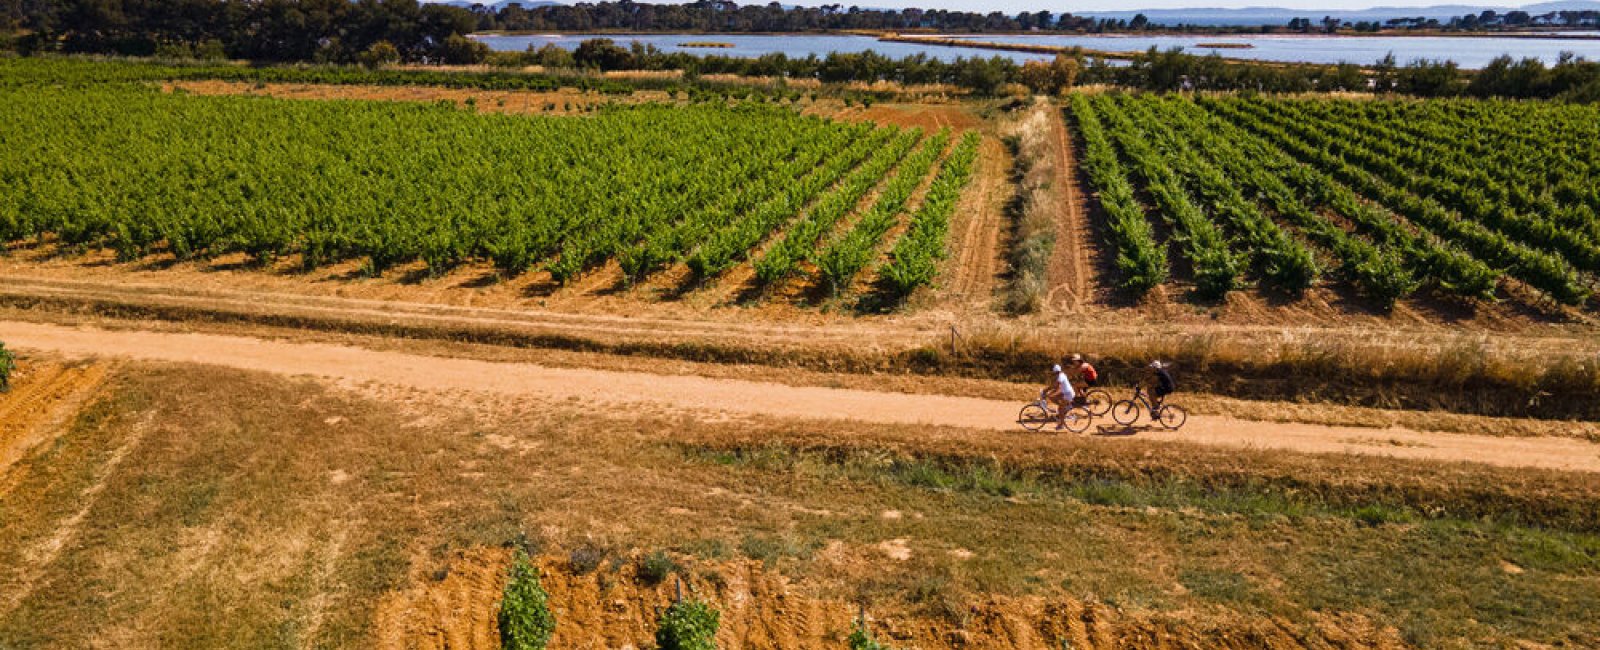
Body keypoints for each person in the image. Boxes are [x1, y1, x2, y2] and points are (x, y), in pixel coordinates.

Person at [1042, 363, 1076, 430]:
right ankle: (1066, 407)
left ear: (1056, 372)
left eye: (1054, 373)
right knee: (1052, 398)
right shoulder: (1060, 375)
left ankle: (1061, 425)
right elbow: (1054, 386)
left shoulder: (1060, 376)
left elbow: (1058, 389)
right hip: (1066, 393)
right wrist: (1046, 390)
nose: (1053, 374)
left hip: (1068, 394)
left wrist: (1049, 394)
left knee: (1060, 409)